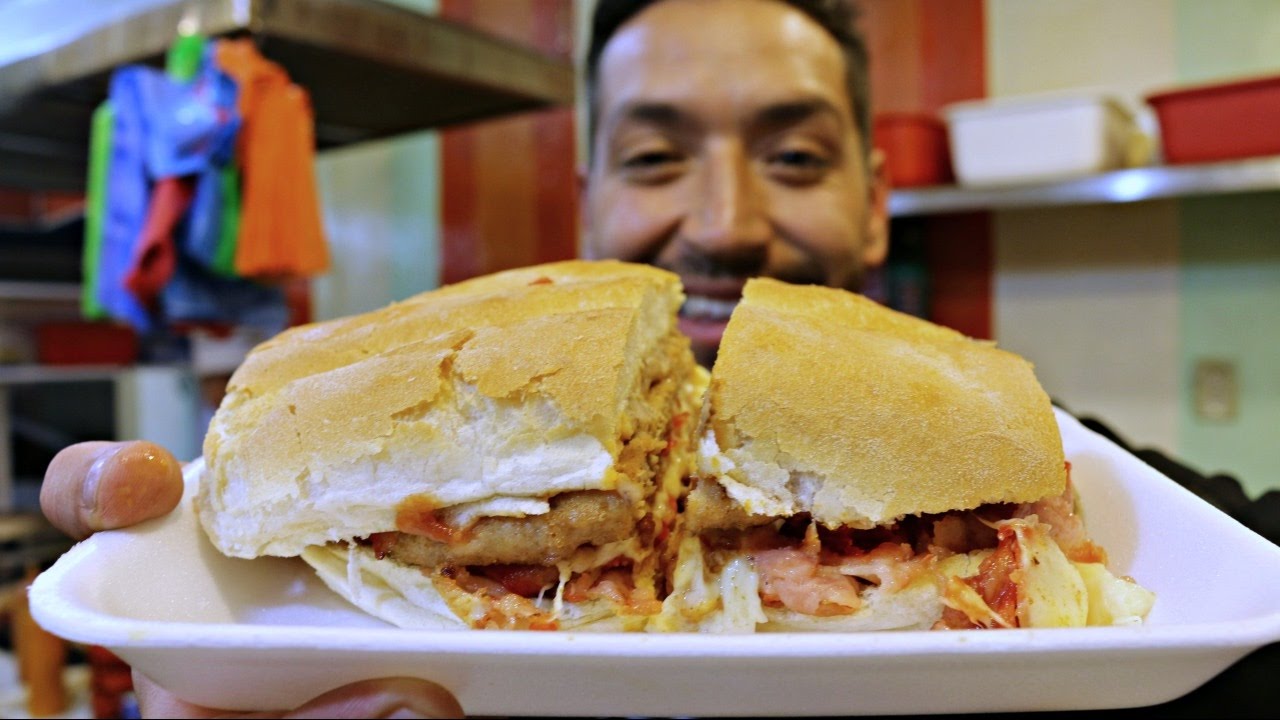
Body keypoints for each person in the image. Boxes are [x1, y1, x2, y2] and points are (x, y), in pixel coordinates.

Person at [37, 0, 1276, 717]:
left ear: (874, 200)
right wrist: (193, 640)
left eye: (794, 156)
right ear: (586, 198)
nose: (724, 221)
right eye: (653, 156)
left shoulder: (1065, 459)